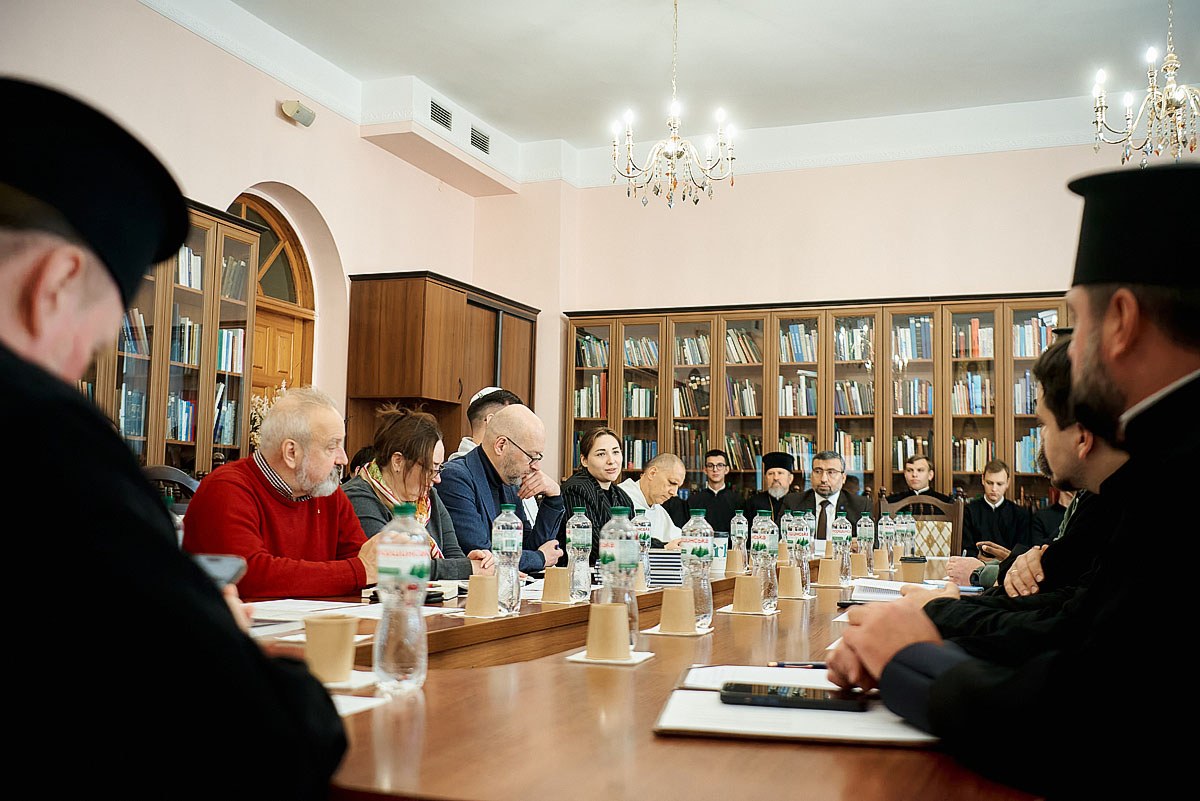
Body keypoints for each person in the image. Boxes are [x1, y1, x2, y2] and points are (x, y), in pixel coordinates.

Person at [1, 77, 344, 797]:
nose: (79, 367)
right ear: (55, 284)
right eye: (96, 341)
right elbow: (257, 734)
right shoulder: (45, 438)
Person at [827, 164, 1199, 797]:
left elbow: (1081, 724)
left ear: (1121, 322)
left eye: (1076, 322)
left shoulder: (1179, 481)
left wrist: (911, 655)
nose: (1068, 356)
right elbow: (1082, 639)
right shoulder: (1161, 462)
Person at [939, 335, 1126, 599]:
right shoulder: (1094, 495)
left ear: (1082, 438)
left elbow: (1051, 593)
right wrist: (1015, 563)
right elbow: (1048, 564)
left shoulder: (1106, 504)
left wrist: (936, 607)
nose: (1041, 438)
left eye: (1043, 425)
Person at [184, 386, 378, 598]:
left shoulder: (327, 492)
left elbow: (362, 563)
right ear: (291, 452)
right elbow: (248, 575)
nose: (343, 459)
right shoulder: (226, 488)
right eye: (332, 447)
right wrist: (358, 571)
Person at [342, 405, 495, 579]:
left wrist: (473, 561)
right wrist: (465, 567)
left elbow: (453, 555)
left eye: (439, 468)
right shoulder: (359, 497)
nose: (438, 479)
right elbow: (392, 564)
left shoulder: (429, 497)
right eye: (431, 468)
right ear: (398, 461)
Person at [438, 404, 565, 574]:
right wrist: (540, 558)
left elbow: (528, 546)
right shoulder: (455, 478)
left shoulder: (509, 481)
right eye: (531, 456)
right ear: (501, 445)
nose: (536, 466)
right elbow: (485, 556)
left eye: (538, 457)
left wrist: (553, 497)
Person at [447, 386, 536, 522]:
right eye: (515, 422)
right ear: (491, 421)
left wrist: (553, 500)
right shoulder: (457, 475)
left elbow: (527, 531)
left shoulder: (507, 472)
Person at [560, 426, 635, 562]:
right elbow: (592, 547)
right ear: (584, 460)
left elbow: (635, 537)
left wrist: (663, 546)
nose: (611, 460)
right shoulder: (576, 490)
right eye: (601, 454)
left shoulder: (622, 497)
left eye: (616, 452)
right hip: (581, 571)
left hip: (614, 570)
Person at [959, 459, 1031, 558]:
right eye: (989, 483)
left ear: (1008, 483)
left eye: (999, 484)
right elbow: (966, 549)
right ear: (983, 480)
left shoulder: (1020, 514)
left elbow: (1023, 550)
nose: (994, 489)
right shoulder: (969, 511)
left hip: (1010, 565)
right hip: (977, 564)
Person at [796, 450, 869, 539]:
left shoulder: (860, 505)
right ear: (811, 476)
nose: (823, 479)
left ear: (843, 478)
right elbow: (782, 539)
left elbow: (871, 540)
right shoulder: (793, 502)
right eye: (818, 471)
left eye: (831, 472)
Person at [617, 453, 685, 547]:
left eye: (678, 487)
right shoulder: (619, 498)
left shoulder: (659, 510)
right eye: (672, 483)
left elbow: (678, 539)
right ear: (652, 473)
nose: (674, 493)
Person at [678, 448, 739, 533]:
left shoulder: (738, 501)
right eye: (710, 466)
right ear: (705, 470)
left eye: (720, 465)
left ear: (726, 469)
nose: (715, 469)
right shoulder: (693, 500)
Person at [744, 451, 804, 525]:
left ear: (790, 478)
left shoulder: (800, 502)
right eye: (771, 474)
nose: (775, 478)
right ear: (765, 478)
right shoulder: (753, 502)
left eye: (780, 473)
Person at [886, 454, 952, 517]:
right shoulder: (890, 502)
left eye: (920, 470)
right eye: (909, 470)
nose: (914, 475)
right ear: (905, 474)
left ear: (930, 475)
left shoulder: (946, 502)